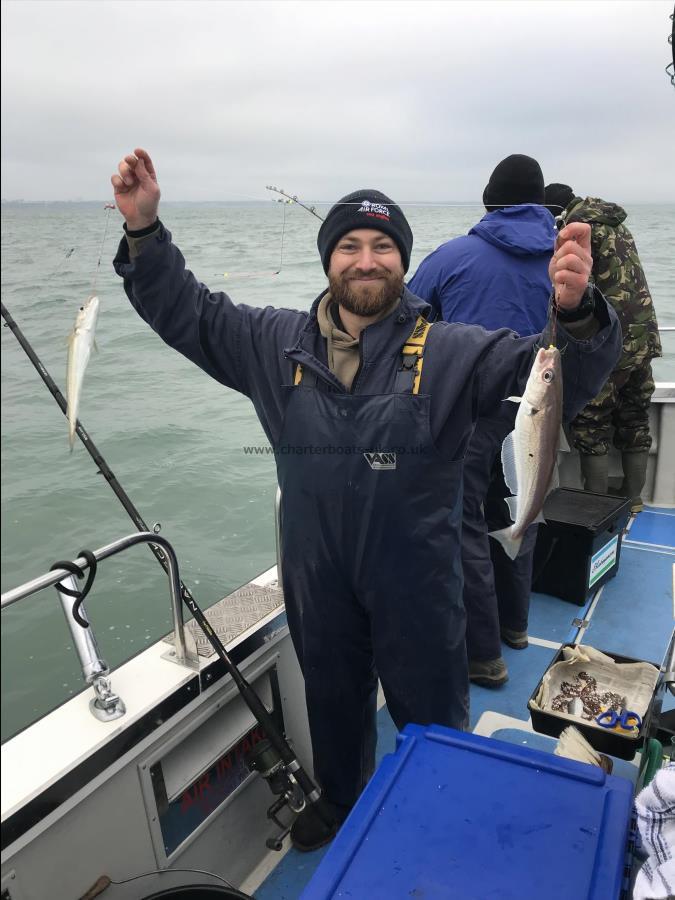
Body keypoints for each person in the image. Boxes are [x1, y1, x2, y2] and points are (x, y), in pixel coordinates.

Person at [111, 149, 621, 852]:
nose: (365, 259)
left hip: (417, 573)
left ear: (402, 263)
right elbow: (189, 314)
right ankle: (343, 800)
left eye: (383, 246)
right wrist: (145, 233)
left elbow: (552, 375)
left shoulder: (450, 349)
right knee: (333, 701)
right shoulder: (274, 344)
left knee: (431, 713)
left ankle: (435, 810)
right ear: (329, 261)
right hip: (317, 573)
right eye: (348, 245)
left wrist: (577, 314)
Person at [408, 154, 555, 687]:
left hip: (467, 417)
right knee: (524, 507)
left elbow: (406, 320)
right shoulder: (561, 261)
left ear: (489, 199)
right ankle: (516, 626)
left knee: (464, 523)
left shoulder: (451, 257)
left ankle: (483, 653)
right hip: (535, 412)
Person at [545, 184, 662, 512]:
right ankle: (634, 499)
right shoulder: (617, 225)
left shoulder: (576, 231)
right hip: (643, 337)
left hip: (609, 343)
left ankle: (598, 509)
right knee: (635, 419)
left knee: (592, 427)